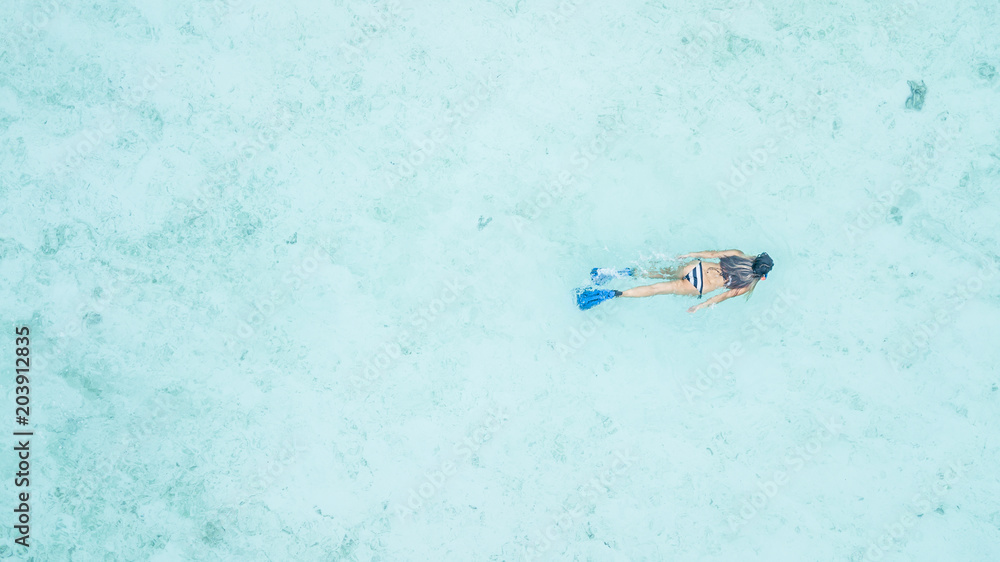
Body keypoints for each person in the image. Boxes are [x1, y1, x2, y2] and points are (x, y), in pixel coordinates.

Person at [576, 250, 773, 313]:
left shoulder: (739, 255)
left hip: (695, 267)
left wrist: (691, 254)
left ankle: (612, 273)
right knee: (654, 289)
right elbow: (722, 296)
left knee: (652, 272)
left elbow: (713, 253)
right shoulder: (746, 285)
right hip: (697, 286)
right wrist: (701, 305)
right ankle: (614, 294)